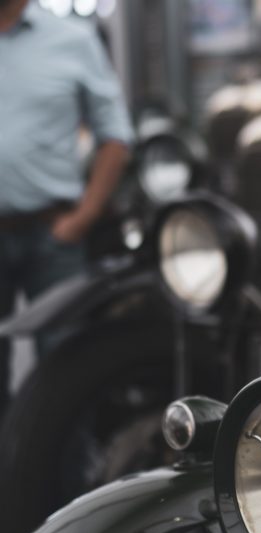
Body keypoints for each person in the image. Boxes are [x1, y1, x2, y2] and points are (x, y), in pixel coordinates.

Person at [0, 0, 132, 404]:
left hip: (53, 234)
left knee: (64, 374)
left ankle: (66, 468)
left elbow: (116, 136)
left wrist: (85, 215)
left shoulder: (72, 40)